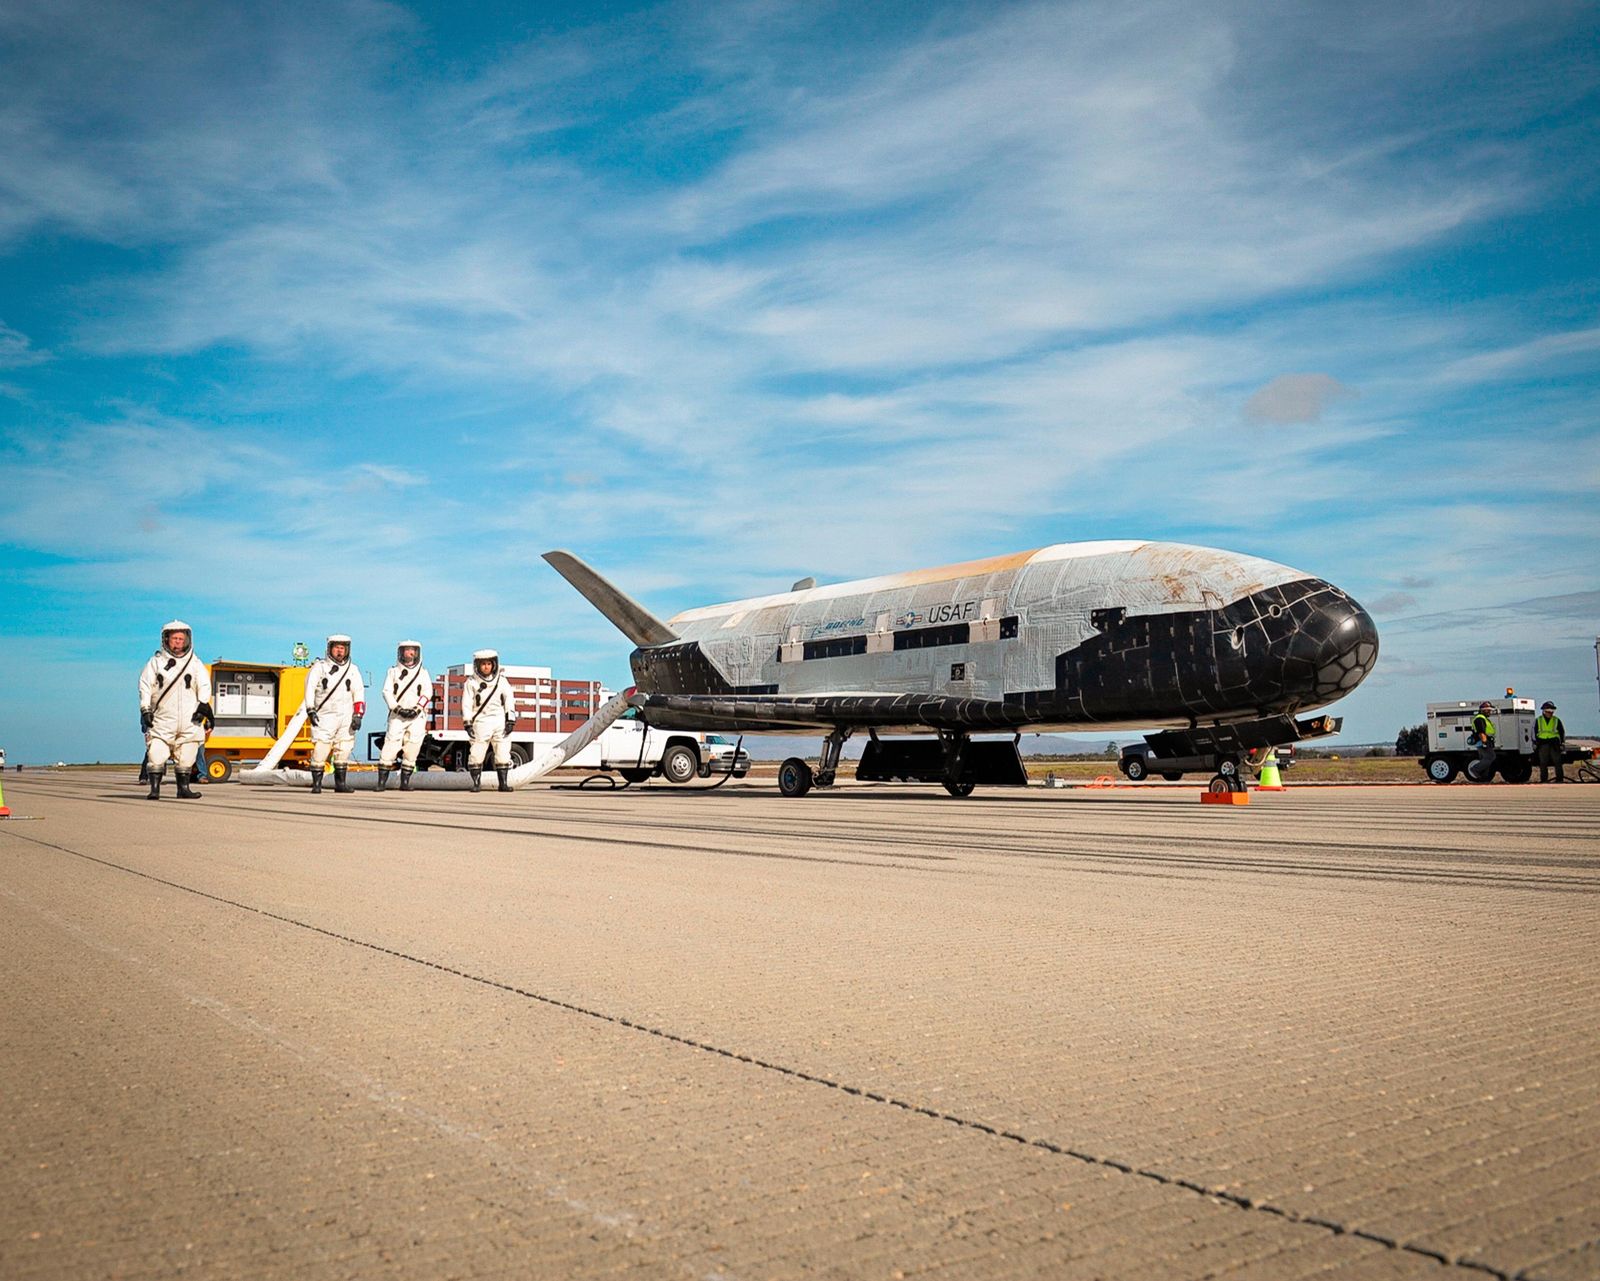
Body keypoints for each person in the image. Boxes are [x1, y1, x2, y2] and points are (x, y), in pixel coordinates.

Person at [138, 620, 213, 801]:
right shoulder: (155, 662)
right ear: (166, 639)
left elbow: (204, 684)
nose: (178, 642)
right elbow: (145, 686)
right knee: (156, 751)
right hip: (164, 717)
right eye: (174, 638)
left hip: (189, 717)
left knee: (187, 753)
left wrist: (203, 704)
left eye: (181, 638)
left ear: (187, 640)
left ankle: (183, 788)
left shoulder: (195, 663)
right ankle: (154, 788)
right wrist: (145, 709)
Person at [302, 634, 365, 794]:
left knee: (344, 748)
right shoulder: (319, 668)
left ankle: (340, 784)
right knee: (321, 748)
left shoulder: (353, 669)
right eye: (337, 647)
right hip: (325, 714)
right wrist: (311, 709)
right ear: (329, 649)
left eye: (342, 648)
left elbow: (358, 692)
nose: (339, 651)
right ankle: (317, 785)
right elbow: (309, 688)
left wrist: (358, 714)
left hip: (346, 715)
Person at [377, 640, 433, 791]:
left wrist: (418, 708)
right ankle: (381, 783)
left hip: (417, 717)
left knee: (413, 747)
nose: (410, 653)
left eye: (412, 650)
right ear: (401, 653)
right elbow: (386, 692)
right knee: (390, 745)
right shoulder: (393, 672)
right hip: (397, 715)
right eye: (407, 650)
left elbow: (428, 692)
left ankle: (405, 782)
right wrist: (396, 708)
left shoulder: (423, 673)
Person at [461, 649, 518, 792]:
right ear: (477, 665)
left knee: (503, 752)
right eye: (483, 664)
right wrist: (467, 722)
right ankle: (476, 783)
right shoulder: (471, 682)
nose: (486, 667)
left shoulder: (502, 681)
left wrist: (510, 720)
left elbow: (509, 700)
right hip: (481, 721)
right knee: (476, 752)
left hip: (499, 720)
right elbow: (466, 703)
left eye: (489, 664)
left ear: (494, 665)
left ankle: (503, 783)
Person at [1534, 700, 1567, 784]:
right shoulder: (1538, 720)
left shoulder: (1556, 720)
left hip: (1554, 743)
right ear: (1544, 711)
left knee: (1557, 762)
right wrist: (1535, 743)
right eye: (1548, 711)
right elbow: (1534, 732)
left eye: (1551, 711)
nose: (1550, 713)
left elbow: (1561, 732)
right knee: (1543, 763)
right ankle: (1544, 780)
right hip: (1543, 743)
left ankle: (1559, 779)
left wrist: (1562, 743)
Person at [1468, 700, 1497, 782]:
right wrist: (1485, 742)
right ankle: (1475, 769)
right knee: (1490, 757)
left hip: (1483, 742)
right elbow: (1481, 732)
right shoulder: (1480, 719)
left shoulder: (1482, 718)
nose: (1490, 712)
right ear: (1483, 710)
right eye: (1488, 710)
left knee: (1485, 760)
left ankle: (1484, 778)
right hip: (1482, 742)